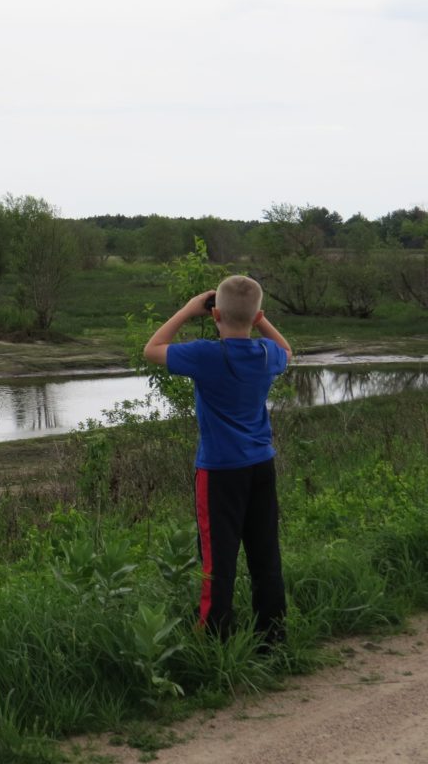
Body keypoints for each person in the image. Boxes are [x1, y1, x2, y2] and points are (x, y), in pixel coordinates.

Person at [142, 275, 291, 647]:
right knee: (265, 555)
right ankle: (272, 636)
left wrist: (189, 309)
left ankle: (214, 637)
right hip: (261, 466)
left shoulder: (206, 355)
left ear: (216, 314)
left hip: (220, 472)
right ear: (257, 315)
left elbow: (153, 348)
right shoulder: (266, 354)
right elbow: (287, 350)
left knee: (217, 559)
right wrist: (260, 320)